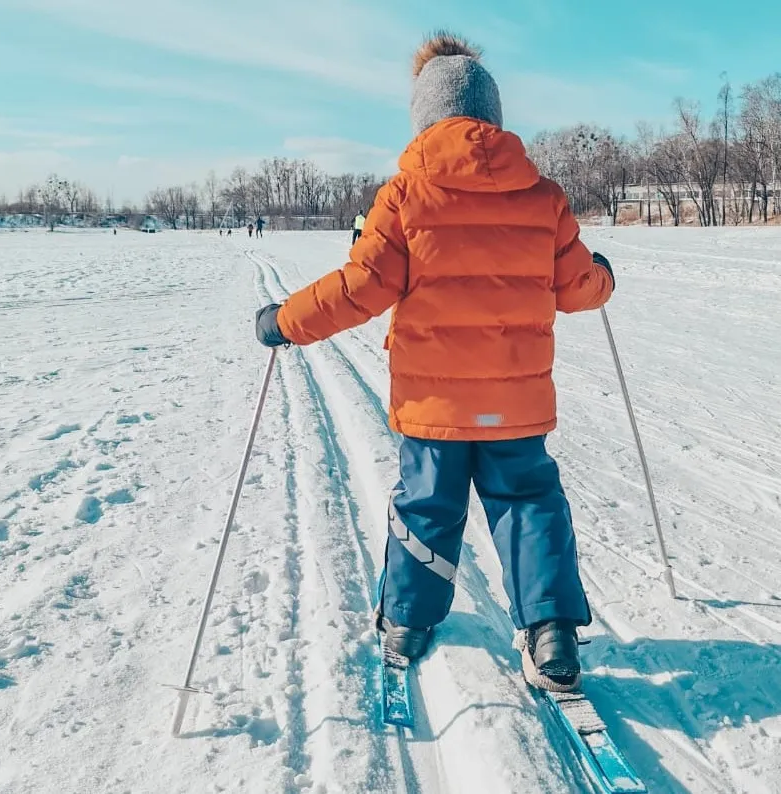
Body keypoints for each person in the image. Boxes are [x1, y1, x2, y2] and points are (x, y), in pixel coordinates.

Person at [254, 32, 615, 692]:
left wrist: (284, 321)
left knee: (427, 507)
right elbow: (577, 290)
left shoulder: (404, 198)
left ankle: (408, 622)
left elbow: (361, 288)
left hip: (432, 408)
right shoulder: (545, 199)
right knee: (530, 504)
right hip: (516, 405)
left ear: (424, 116)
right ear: (493, 117)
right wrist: (603, 277)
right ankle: (552, 631)